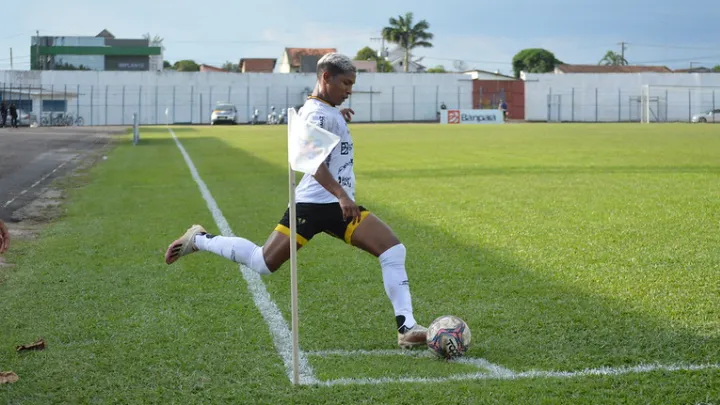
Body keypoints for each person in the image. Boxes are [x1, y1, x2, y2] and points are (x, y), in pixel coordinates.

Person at [164, 52, 428, 349]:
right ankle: (199, 239)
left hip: (337, 206)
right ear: (325, 77)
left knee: (392, 249)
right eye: (346, 83)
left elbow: (320, 133)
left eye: (352, 84)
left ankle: (406, 327)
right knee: (263, 262)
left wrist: (335, 120)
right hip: (314, 206)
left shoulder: (323, 111)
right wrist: (342, 195)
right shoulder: (316, 114)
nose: (349, 90)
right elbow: (309, 161)